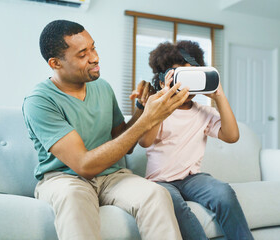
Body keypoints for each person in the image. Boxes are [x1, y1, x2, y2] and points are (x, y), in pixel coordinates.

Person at [22, 20, 189, 240]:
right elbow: (84, 165)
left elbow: (123, 143)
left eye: (93, 47)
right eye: (82, 54)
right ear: (56, 63)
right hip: (64, 178)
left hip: (111, 176)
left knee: (156, 194)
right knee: (73, 197)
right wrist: (148, 119)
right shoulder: (39, 101)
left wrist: (141, 108)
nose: (94, 58)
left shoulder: (102, 87)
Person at [139, 41, 254, 240]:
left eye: (191, 77)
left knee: (223, 193)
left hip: (192, 179)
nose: (186, 85)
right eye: (179, 77)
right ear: (163, 79)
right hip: (160, 181)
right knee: (173, 205)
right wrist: (163, 98)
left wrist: (220, 96)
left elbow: (232, 136)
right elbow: (145, 141)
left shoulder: (204, 113)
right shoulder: (158, 110)